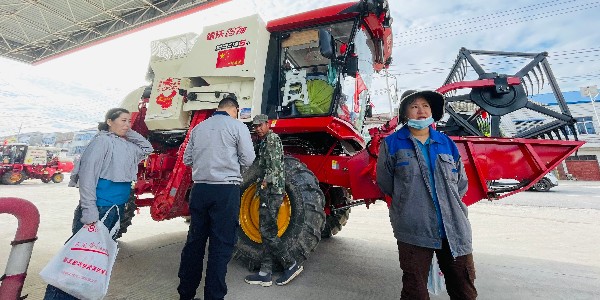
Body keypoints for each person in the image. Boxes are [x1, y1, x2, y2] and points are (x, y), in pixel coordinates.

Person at [376, 90, 477, 300]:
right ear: (405, 114)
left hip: (454, 229)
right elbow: (386, 183)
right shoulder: (392, 143)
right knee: (415, 291)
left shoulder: (446, 143)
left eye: (426, 106)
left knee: (464, 290)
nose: (421, 111)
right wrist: (410, 201)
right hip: (413, 229)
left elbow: (461, 184)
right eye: (414, 106)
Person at [44, 107, 153, 300]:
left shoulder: (126, 146)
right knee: (77, 257)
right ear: (109, 121)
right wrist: (89, 209)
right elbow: (87, 177)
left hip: (115, 209)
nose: (127, 125)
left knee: (94, 257)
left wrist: (130, 131)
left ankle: (79, 295)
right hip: (99, 208)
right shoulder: (101, 142)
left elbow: (147, 148)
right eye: (122, 121)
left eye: (129, 121)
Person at [177, 97, 255, 300]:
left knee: (194, 242)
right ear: (235, 110)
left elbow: (187, 159)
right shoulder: (237, 127)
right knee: (220, 246)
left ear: (218, 108)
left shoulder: (199, 128)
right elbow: (248, 158)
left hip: (200, 189)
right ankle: (213, 296)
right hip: (225, 191)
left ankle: (186, 294)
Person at [244, 114, 304, 287]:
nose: (258, 129)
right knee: (266, 231)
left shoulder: (271, 139)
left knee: (268, 232)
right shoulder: (264, 141)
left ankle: (290, 264)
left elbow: (276, 166)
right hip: (268, 191)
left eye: (260, 125)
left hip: (271, 191)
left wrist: (265, 181)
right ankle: (265, 273)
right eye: (255, 126)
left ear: (267, 124)